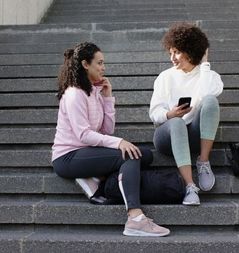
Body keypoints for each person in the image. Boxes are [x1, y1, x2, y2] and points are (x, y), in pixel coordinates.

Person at [51, 42, 170, 237]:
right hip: (68, 157)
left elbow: (106, 130)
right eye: (99, 63)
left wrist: (107, 98)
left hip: (87, 152)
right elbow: (83, 134)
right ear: (85, 64)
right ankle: (135, 218)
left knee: (145, 155)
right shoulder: (74, 94)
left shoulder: (93, 92)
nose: (103, 67)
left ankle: (93, 177)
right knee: (130, 156)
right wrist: (119, 142)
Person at [149, 23, 224, 206]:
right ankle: (190, 185)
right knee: (177, 122)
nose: (172, 58)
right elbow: (154, 113)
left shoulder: (209, 75)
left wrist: (204, 65)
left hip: (195, 135)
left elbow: (208, 94)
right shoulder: (165, 77)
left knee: (210, 101)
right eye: (170, 53)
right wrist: (170, 113)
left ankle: (203, 161)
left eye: (177, 52)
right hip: (167, 136)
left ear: (190, 51)